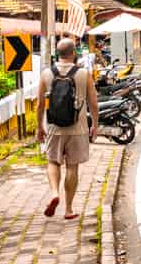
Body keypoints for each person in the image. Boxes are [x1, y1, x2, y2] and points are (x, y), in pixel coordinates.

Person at [36, 36, 97, 220]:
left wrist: (40, 126)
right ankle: (69, 209)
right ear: (74, 53)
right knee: (72, 167)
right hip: (77, 128)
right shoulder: (83, 74)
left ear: (58, 53)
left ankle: (55, 193)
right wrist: (95, 123)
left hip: (54, 127)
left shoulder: (47, 73)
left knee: (53, 162)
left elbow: (40, 104)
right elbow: (93, 102)